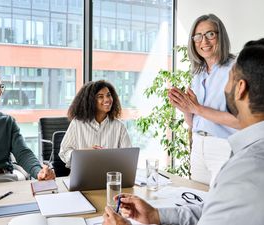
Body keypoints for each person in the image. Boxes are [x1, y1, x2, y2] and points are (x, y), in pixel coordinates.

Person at [102, 38, 264, 225]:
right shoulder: (248, 160)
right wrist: (157, 215)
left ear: (240, 89)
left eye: (229, 77)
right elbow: (216, 208)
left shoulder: (246, 169)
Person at [168, 14, 240, 184]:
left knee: (220, 206)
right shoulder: (198, 73)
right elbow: (196, 122)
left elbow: (241, 121)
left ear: (220, 36)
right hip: (198, 146)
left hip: (224, 147)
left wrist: (197, 108)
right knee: (198, 201)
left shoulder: (236, 69)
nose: (204, 41)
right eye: (198, 36)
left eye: (210, 34)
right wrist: (186, 109)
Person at [0, 68, 55, 185]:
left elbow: (23, 153)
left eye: (1, 86)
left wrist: (39, 172)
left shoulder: (7, 122)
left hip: (5, 179)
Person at [59, 80, 132, 168]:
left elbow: (129, 157)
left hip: (110, 176)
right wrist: (84, 153)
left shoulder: (119, 126)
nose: (107, 99)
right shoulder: (77, 123)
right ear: (90, 101)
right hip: (84, 175)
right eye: (100, 97)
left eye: (108, 95)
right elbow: (64, 152)